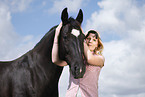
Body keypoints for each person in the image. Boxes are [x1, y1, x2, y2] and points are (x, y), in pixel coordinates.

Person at [52, 23, 105, 97]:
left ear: (98, 44)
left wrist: (80, 38)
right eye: (88, 38)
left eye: (94, 40)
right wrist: (56, 36)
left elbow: (89, 59)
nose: (90, 41)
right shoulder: (75, 57)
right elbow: (56, 60)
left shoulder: (100, 58)